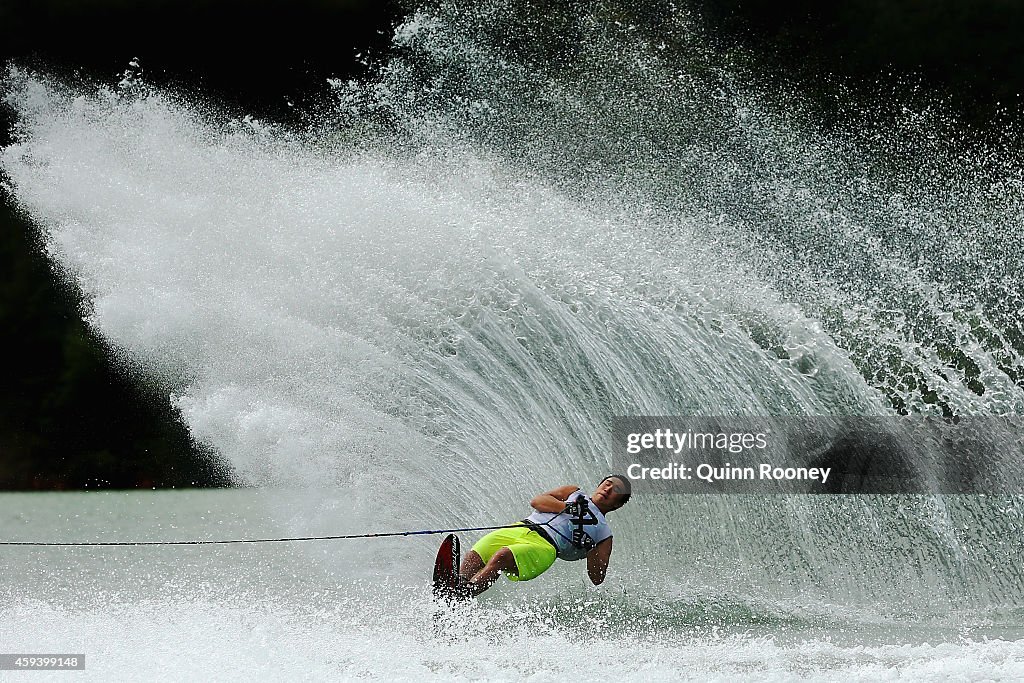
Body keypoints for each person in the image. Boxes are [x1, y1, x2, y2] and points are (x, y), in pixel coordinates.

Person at [458, 475, 631, 597]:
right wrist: (567, 507)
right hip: (522, 527)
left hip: (546, 547)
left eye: (615, 489)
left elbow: (597, 578)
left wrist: (590, 547)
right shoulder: (574, 493)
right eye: (607, 483)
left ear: (618, 504)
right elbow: (537, 501)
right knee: (476, 554)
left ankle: (465, 594)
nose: (608, 488)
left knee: (502, 556)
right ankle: (457, 586)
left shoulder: (604, 535)